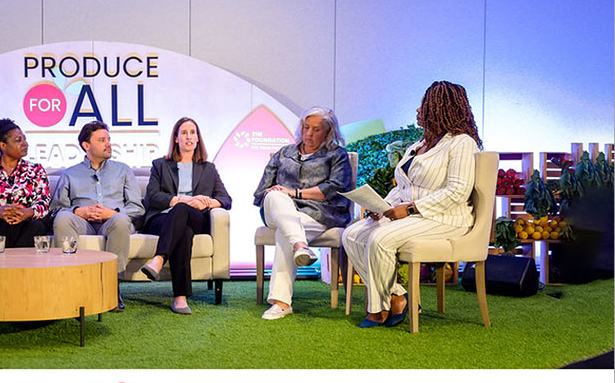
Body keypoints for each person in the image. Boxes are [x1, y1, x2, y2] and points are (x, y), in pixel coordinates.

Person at [341, 80, 482, 328]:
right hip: (416, 216)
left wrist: (408, 209)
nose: (418, 110)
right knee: (352, 235)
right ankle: (397, 295)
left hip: (447, 218)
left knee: (380, 239)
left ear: (441, 108)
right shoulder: (419, 145)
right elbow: (403, 188)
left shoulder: (462, 143)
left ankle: (378, 309)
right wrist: (382, 206)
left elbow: (457, 192)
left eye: (423, 105)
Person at [253, 106, 351, 320]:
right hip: (276, 210)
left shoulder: (337, 155)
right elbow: (261, 192)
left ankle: (281, 302)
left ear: (328, 132)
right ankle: (301, 245)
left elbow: (335, 188)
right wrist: (282, 194)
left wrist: (295, 192)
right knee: (275, 195)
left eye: (316, 129)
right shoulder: (284, 153)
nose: (309, 133)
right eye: (306, 127)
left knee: (285, 233)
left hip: (319, 214)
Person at [140, 117, 232, 314]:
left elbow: (226, 200)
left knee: (183, 212)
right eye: (183, 132)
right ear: (175, 138)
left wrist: (204, 201)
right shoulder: (160, 165)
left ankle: (158, 259)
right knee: (184, 230)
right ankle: (180, 298)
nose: (188, 136)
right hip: (162, 219)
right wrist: (181, 199)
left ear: (198, 138)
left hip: (197, 216)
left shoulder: (209, 168)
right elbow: (152, 197)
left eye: (192, 132)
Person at [50, 121, 144, 311]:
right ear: (86, 145)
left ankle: (112, 287)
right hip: (82, 223)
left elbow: (137, 207)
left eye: (108, 139)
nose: (108, 144)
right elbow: (56, 210)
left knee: (120, 219)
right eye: (102, 140)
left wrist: (113, 213)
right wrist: (77, 211)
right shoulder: (70, 174)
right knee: (63, 218)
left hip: (113, 222)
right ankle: (71, 286)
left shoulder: (123, 170)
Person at [0, 118, 50, 247]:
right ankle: (17, 266)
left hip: (28, 221)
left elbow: (43, 202)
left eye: (24, 139)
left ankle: (5, 265)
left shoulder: (35, 170)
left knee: (36, 226)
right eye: (18, 140)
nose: (25, 143)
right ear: (3, 145)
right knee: (8, 224)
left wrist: (27, 212)